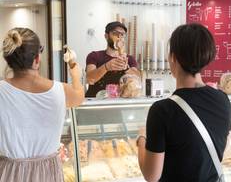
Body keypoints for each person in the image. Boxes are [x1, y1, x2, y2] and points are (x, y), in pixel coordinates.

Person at [137, 23, 231, 182]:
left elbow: (151, 175)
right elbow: (225, 142)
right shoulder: (222, 99)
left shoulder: (162, 110)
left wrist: (141, 139)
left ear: (173, 57)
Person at [0, 28, 84, 182]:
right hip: (48, 173)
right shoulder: (61, 90)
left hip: (9, 172)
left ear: (8, 60)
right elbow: (79, 96)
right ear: (37, 59)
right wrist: (75, 74)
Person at [85, 21, 140, 97]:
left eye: (122, 34)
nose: (119, 37)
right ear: (106, 36)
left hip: (117, 104)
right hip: (95, 103)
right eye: (115, 33)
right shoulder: (94, 56)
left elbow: (138, 78)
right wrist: (106, 67)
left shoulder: (129, 59)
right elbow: (90, 79)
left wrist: (126, 67)